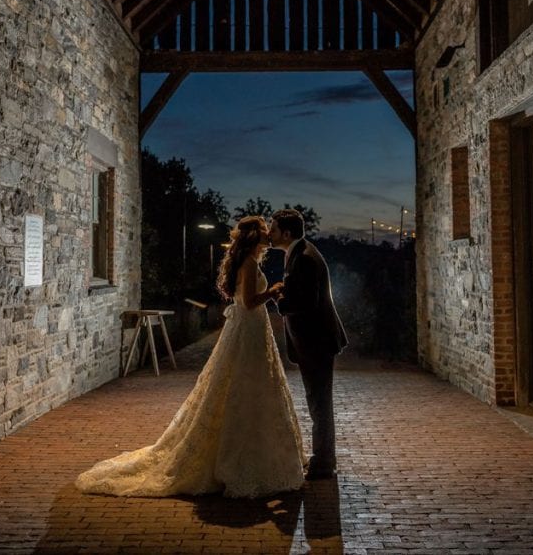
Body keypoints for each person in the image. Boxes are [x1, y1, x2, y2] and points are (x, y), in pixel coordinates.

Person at [76, 216, 305, 498]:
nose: (268, 234)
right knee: (242, 387)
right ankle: (239, 460)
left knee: (252, 387)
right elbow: (247, 303)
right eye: (263, 231)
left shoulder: (249, 261)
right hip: (248, 330)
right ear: (253, 237)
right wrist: (271, 292)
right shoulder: (247, 263)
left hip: (253, 331)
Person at [268, 209, 348, 480]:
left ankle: (324, 463)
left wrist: (278, 298)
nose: (269, 233)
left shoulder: (303, 258)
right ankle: (324, 459)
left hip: (316, 342)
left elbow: (303, 303)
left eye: (273, 229)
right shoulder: (301, 252)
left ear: (286, 233)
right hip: (315, 341)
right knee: (318, 402)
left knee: (319, 403)